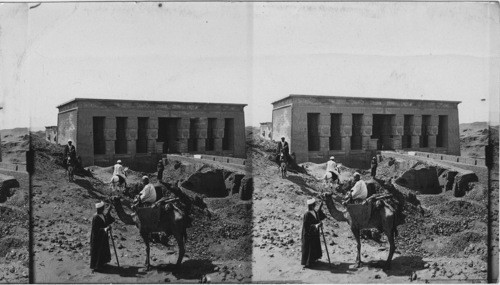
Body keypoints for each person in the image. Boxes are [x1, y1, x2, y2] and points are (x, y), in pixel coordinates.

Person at [90, 201, 115, 272]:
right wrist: (106, 229)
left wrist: (108, 226)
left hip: (103, 236)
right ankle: (96, 266)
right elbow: (95, 229)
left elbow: (106, 222)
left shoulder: (102, 215)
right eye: (102, 208)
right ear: (99, 209)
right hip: (97, 237)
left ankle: (102, 264)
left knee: (103, 250)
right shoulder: (96, 217)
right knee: (97, 251)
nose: (103, 209)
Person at [301, 198, 326, 269]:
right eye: (314, 204)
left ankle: (313, 260)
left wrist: (319, 223)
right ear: (311, 205)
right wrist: (317, 225)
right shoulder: (307, 214)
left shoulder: (314, 211)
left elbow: (317, 218)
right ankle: (308, 263)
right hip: (308, 234)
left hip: (314, 233)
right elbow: (307, 226)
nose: (315, 205)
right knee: (309, 248)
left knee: (314, 246)